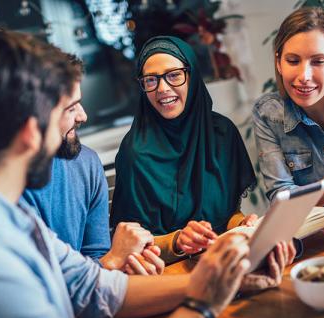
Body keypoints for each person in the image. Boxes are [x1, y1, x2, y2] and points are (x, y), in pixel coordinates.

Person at [0, 27, 288, 318]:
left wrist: (215, 280)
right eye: (67, 110)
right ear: (29, 130)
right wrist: (203, 303)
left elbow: (92, 286)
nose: (83, 117)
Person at [110, 35, 261, 261]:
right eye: (151, 80)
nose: (162, 88)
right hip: (170, 272)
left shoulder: (222, 133)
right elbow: (131, 246)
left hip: (228, 259)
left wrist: (243, 224)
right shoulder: (135, 153)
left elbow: (227, 215)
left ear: (192, 76)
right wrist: (179, 240)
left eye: (173, 76)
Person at [22, 59, 164, 274]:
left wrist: (125, 263)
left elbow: (97, 257)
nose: (83, 116)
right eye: (70, 108)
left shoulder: (85, 162)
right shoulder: (8, 188)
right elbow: (42, 286)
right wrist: (115, 260)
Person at [253, 7, 324, 209]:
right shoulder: (268, 114)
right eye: (293, 61)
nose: (304, 76)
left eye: (318, 61)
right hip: (320, 238)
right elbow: (281, 200)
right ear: (279, 63)